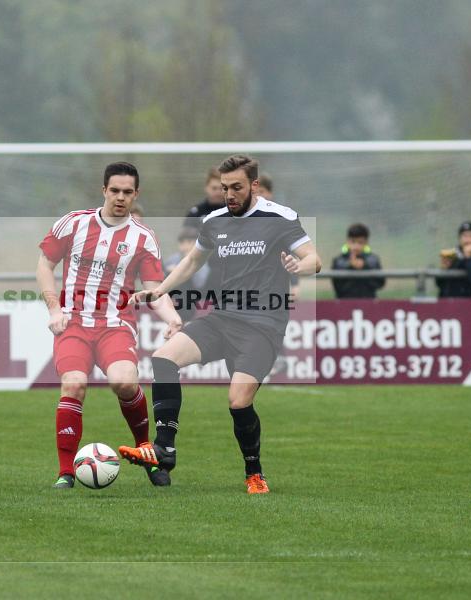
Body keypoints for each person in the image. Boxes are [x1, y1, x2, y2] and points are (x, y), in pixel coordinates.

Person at [119, 155, 321, 494]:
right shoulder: (214, 221)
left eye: (237, 187)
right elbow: (192, 262)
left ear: (254, 186)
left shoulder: (280, 217)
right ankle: (164, 448)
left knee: (238, 402)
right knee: (164, 358)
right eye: (225, 188)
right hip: (222, 317)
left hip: (262, 324)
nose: (229, 194)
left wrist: (300, 267)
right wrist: (160, 289)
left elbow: (314, 259)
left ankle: (254, 473)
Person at [36, 162, 182, 489]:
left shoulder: (143, 238)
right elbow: (45, 265)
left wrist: (172, 318)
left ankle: (146, 450)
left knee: (124, 383)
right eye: (114, 190)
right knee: (73, 384)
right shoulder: (73, 224)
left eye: (127, 192)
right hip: (73, 324)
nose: (120, 197)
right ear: (104, 190)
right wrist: (54, 308)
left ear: (136, 194)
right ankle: (65, 472)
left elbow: (155, 289)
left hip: (116, 325)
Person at [164, 228, 210, 322]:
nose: (185, 246)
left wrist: (183, 271)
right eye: (182, 242)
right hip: (172, 303)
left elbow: (200, 283)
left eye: (189, 242)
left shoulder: (202, 261)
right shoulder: (173, 259)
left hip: (192, 303)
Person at [331, 223, 385, 299]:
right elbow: (337, 286)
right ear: (347, 241)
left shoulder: (373, 260)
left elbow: (380, 283)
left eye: (360, 242)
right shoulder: (339, 261)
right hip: (345, 304)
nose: (356, 246)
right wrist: (350, 267)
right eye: (353, 242)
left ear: (366, 242)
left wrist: (364, 267)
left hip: (368, 304)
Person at [436, 221, 471, 298]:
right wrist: (444, 269)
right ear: (460, 238)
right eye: (465, 236)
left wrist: (468, 258)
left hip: (465, 304)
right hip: (445, 303)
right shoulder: (452, 254)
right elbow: (439, 284)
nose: (468, 240)